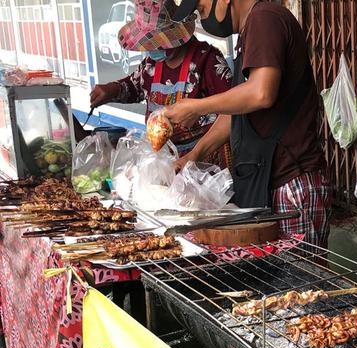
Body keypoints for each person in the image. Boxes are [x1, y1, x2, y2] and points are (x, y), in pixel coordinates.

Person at [163, 0, 331, 249]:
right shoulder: (252, 29)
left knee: (300, 283)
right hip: (267, 182)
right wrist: (196, 154)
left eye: (202, 9)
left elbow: (261, 93)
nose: (202, 18)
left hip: (291, 184)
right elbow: (237, 112)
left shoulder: (265, 19)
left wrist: (196, 106)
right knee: (273, 282)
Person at [90, 0, 233, 167]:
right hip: (167, 158)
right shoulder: (151, 65)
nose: (154, 48)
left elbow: (234, 107)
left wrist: (199, 110)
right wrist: (111, 90)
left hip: (205, 159)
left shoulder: (206, 60)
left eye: (159, 42)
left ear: (175, 35)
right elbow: (135, 86)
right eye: (151, 43)